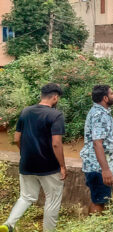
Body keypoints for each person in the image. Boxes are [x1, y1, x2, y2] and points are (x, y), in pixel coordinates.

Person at [0, 83, 66, 232]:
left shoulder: (26, 111)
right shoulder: (56, 115)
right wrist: (62, 166)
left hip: (27, 164)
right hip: (49, 166)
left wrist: (27, 154)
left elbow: (17, 138)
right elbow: (56, 144)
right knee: (53, 199)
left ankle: (9, 224)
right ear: (55, 97)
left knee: (26, 197)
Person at [80, 85, 113, 214]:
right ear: (105, 98)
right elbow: (97, 143)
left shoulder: (100, 112)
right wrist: (106, 170)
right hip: (98, 167)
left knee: (98, 199)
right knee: (99, 202)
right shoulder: (99, 115)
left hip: (97, 166)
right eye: (112, 93)